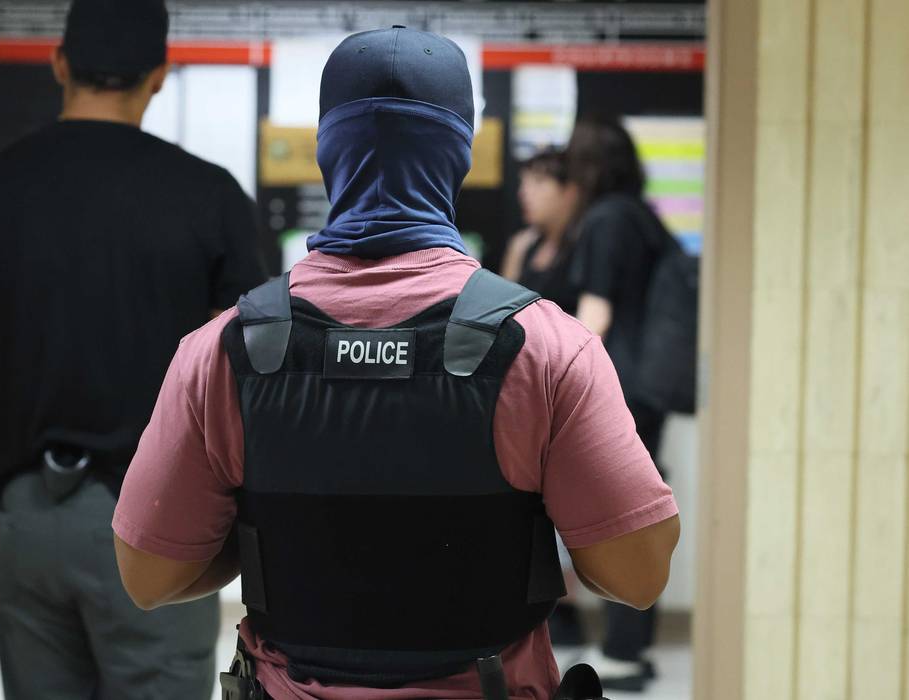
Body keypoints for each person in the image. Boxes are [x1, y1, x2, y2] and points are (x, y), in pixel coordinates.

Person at [112, 27, 679, 700]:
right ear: (458, 155)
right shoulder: (545, 347)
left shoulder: (224, 350)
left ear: (327, 152)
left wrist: (267, 537)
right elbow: (637, 577)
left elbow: (149, 577)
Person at [0, 0, 266, 697]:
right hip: (158, 527)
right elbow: (238, 380)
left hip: (22, 523)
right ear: (158, 76)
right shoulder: (209, 196)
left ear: (59, 63)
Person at [564, 114, 679, 691]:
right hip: (648, 389)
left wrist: (556, 376)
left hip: (621, 391)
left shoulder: (607, 220)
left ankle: (622, 652)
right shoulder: (643, 218)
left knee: (617, 518)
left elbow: (596, 316)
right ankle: (633, 648)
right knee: (641, 514)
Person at [500, 148, 581, 314]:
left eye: (538, 182)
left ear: (569, 191)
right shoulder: (526, 245)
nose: (523, 193)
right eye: (523, 183)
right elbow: (503, 310)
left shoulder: (581, 246)